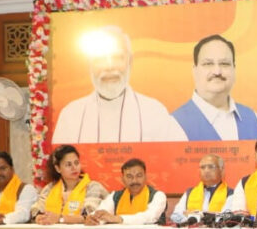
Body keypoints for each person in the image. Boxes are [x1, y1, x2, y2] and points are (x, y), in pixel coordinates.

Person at [52, 25, 184, 143]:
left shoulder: (154, 112)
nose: (109, 67)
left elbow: (177, 156)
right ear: (90, 65)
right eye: (100, 59)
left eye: (117, 57)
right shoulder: (71, 115)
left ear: (130, 62)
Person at [171, 34, 257, 141]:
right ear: (194, 70)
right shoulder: (175, 124)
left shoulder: (252, 118)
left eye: (224, 64)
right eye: (208, 64)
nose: (217, 71)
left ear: (234, 69)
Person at [31, 145, 108, 224]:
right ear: (58, 168)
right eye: (68, 164)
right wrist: (39, 217)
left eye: (76, 163)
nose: (74, 168)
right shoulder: (50, 188)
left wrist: (60, 219)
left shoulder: (93, 187)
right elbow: (36, 209)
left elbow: (89, 216)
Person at [85, 158, 166, 225]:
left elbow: (149, 217)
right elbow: (102, 211)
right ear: (122, 179)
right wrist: (93, 218)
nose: (134, 180)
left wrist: (118, 218)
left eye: (139, 176)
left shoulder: (158, 196)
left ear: (145, 177)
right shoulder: (115, 196)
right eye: (129, 176)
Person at [171, 154, 233, 222]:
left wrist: (196, 215)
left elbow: (226, 217)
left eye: (211, 167)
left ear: (222, 171)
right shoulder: (190, 192)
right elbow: (175, 216)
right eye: (203, 167)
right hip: (191, 228)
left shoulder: (230, 194)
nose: (206, 170)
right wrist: (192, 219)